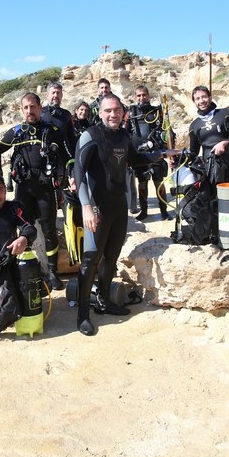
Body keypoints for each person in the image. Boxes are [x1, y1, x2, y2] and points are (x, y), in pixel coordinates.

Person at [73, 94, 179, 336]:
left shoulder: (123, 135)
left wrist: (163, 153)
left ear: (123, 112)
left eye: (117, 110)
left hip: (118, 207)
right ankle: (82, 314)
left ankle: (103, 301)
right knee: (91, 259)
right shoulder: (90, 135)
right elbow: (78, 172)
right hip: (96, 208)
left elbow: (136, 159)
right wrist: (86, 207)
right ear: (100, 113)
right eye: (108, 110)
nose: (113, 114)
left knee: (111, 257)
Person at [0, 92, 73, 290]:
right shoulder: (17, 131)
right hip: (23, 189)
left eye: (33, 107)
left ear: (40, 108)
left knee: (49, 231)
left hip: (45, 189)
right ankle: (25, 269)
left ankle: (52, 272)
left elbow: (69, 157)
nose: (30, 111)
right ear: (22, 110)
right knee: (24, 230)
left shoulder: (52, 130)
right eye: (26, 107)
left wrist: (72, 177)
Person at [186, 85, 229, 224]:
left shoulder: (225, 114)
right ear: (194, 101)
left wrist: (225, 143)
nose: (201, 101)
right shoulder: (194, 126)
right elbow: (193, 152)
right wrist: (178, 158)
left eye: (204, 97)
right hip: (210, 172)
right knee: (214, 205)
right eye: (197, 98)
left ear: (210, 97)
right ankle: (217, 233)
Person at [126, 85, 173, 221]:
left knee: (159, 183)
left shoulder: (158, 112)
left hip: (156, 153)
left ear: (149, 96)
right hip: (139, 156)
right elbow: (125, 134)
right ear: (135, 97)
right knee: (142, 184)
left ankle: (164, 211)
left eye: (144, 95)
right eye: (139, 95)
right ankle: (144, 211)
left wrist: (170, 153)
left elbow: (168, 132)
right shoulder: (131, 114)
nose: (142, 98)